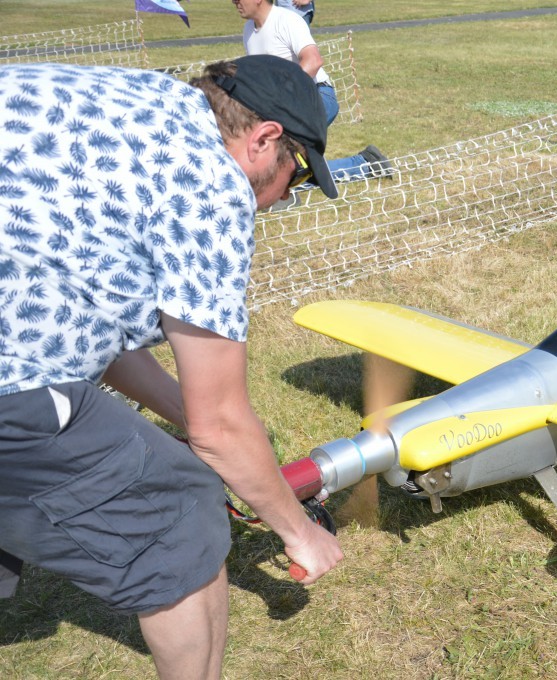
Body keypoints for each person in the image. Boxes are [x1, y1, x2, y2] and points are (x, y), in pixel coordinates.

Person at [0, 55, 345, 678]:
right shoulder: (212, 187)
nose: (280, 199)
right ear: (265, 139)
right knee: (183, 512)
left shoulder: (142, 97)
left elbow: (89, 327)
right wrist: (299, 532)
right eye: (293, 177)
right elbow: (219, 427)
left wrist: (187, 417)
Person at [233, 0, 392, 182]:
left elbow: (313, 61)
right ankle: (367, 164)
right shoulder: (248, 31)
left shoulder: (287, 20)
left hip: (318, 96)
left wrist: (281, 95)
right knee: (279, 168)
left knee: (282, 165)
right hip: (284, 107)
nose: (234, 1)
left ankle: (363, 165)